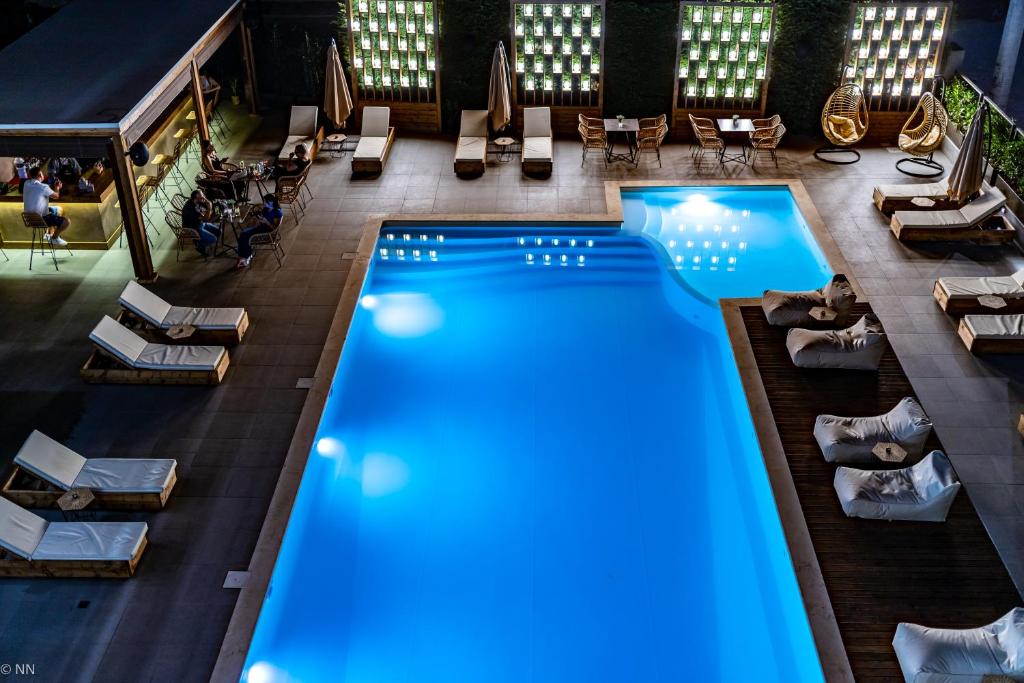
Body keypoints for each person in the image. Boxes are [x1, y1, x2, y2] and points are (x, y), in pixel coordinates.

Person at [22, 166, 70, 246]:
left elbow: (38, 190)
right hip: (41, 220)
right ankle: (54, 238)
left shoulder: (26, 184)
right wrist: (57, 187)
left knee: (57, 209)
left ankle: (48, 233)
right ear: (40, 175)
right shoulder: (44, 187)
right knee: (67, 221)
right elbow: (56, 196)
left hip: (29, 219)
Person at [234, 193, 283, 269]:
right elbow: (260, 220)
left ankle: (245, 256)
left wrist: (266, 222)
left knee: (244, 235)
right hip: (261, 227)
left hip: (268, 232)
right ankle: (245, 256)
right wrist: (259, 220)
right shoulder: (266, 209)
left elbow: (274, 228)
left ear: (271, 202)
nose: (264, 203)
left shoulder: (277, 212)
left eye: (266, 202)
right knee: (243, 234)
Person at [181, 189, 221, 257]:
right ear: (196, 199)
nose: (204, 198)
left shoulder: (198, 201)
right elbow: (206, 219)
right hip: (193, 227)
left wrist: (209, 205)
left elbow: (207, 215)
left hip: (200, 223)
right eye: (202, 197)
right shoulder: (190, 210)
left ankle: (202, 241)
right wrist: (209, 208)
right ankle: (199, 245)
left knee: (219, 232)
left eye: (203, 196)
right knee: (213, 239)